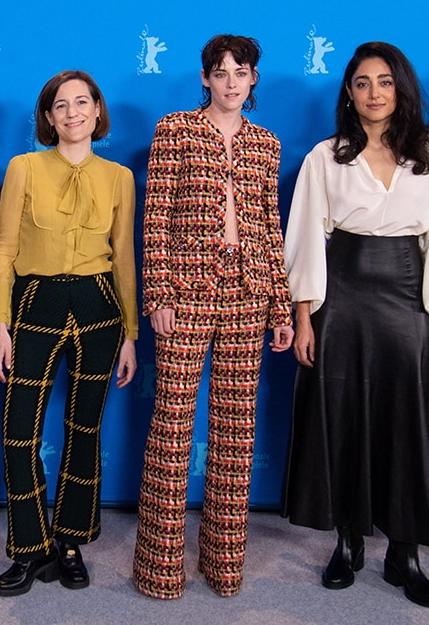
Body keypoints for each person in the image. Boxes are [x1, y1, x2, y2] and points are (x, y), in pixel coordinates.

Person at [281, 41, 429, 609]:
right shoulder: (325, 156)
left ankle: (404, 554)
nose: (373, 93)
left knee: (407, 424)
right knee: (344, 419)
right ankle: (348, 542)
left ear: (400, 88)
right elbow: (305, 238)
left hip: (409, 300)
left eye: (384, 82)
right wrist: (304, 315)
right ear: (349, 93)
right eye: (361, 83)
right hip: (343, 300)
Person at [133, 34, 294, 600]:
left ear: (253, 80)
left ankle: (224, 565)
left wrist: (280, 303)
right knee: (173, 429)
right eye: (220, 71)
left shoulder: (266, 144)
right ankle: (160, 569)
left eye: (241, 71)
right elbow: (154, 217)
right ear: (205, 78)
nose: (230, 80)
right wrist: (158, 295)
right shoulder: (174, 129)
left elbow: (270, 228)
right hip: (186, 291)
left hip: (249, 293)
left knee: (235, 433)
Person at [0, 70, 137, 597]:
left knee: (85, 430)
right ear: (48, 117)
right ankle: (29, 548)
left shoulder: (120, 176)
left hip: (101, 306)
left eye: (82, 102)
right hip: (35, 301)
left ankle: (70, 542)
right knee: (19, 431)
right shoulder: (24, 168)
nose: (72, 112)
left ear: (97, 110)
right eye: (60, 105)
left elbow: (124, 257)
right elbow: (3, 251)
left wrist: (131, 333)